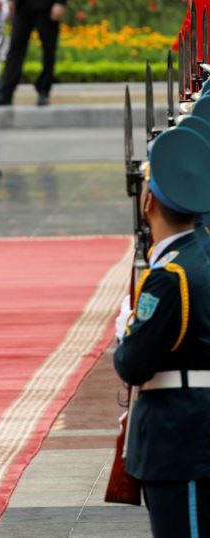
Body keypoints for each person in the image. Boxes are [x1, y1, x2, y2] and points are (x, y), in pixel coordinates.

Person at [113, 126, 210, 537]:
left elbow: (133, 364)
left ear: (149, 200)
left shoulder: (169, 277)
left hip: (181, 436)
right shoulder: (198, 254)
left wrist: (126, 332)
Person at [0, 0, 65, 106]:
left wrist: (60, 3)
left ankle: (44, 90)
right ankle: (6, 92)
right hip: (23, 7)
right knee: (15, 50)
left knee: (49, 51)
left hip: (47, 8)